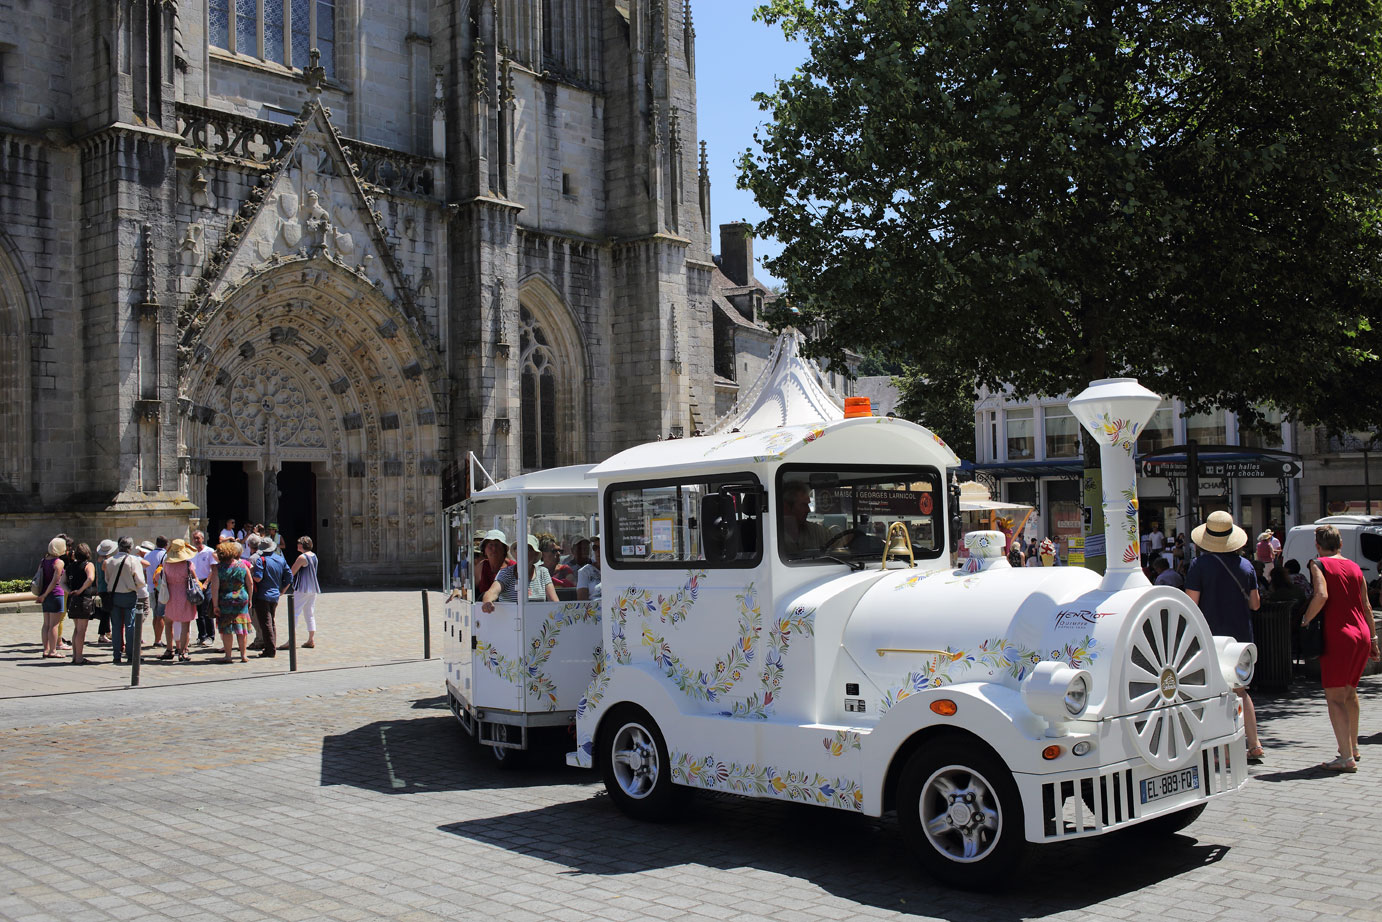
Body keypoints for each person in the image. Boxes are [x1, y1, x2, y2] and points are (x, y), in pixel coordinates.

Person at [1185, 510, 1263, 762]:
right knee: (1241, 690)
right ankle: (1254, 743)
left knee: (1215, 692)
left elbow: (1191, 604)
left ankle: (1225, 751)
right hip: (1241, 636)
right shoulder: (1246, 565)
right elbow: (1255, 604)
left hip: (1212, 637)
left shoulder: (1199, 566)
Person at [1300, 524, 1380, 772]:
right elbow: (1367, 605)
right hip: (1362, 633)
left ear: (1317, 545)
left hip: (1339, 635)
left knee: (1334, 698)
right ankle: (1353, 747)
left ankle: (1345, 757)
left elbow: (1321, 595)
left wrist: (1306, 619)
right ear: (1341, 544)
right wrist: (1374, 640)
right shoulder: (1355, 567)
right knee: (1349, 692)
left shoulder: (1318, 564)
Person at [480, 535, 559, 611]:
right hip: (511, 621)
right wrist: (487, 602)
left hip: (538, 621)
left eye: (527, 548)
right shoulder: (505, 573)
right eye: (518, 548)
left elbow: (554, 601)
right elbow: (492, 592)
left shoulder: (543, 572)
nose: (522, 551)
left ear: (535, 554)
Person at [103, 537, 147, 666]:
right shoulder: (133, 560)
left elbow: (107, 579)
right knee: (130, 626)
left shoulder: (110, 561)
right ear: (130, 547)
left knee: (116, 626)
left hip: (114, 595)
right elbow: (140, 581)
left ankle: (116, 655)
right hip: (129, 595)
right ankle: (131, 654)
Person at [208, 540, 253, 663]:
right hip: (241, 598)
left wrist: (215, 605)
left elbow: (215, 588)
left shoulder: (217, 568)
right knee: (241, 627)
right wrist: (250, 598)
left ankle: (228, 656)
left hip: (225, 599)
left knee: (227, 627)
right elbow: (250, 583)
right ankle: (243, 655)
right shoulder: (243, 565)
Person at [159, 539, 198, 663]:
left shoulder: (166, 564)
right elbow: (195, 580)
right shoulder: (188, 565)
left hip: (170, 596)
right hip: (185, 596)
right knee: (185, 625)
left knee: (169, 622)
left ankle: (169, 649)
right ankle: (183, 651)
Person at [250, 536, 289, 658]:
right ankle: (271, 646)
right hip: (275, 595)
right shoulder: (280, 559)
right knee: (271, 622)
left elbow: (258, 578)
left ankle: (270, 650)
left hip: (262, 595)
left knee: (266, 623)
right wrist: (282, 590)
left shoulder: (262, 560)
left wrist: (250, 575)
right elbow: (289, 577)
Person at [65, 542, 98, 665]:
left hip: (73, 599)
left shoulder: (70, 567)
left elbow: (62, 582)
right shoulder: (88, 565)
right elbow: (90, 578)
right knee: (81, 630)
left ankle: (75, 655)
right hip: (84, 599)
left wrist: (70, 591)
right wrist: (81, 590)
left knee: (76, 629)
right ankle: (79, 657)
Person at [34, 536, 67, 659]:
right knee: (54, 624)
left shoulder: (43, 561)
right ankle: (53, 650)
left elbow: (38, 576)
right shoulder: (59, 562)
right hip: (55, 594)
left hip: (44, 594)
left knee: (46, 624)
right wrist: (45, 594)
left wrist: (42, 595)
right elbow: (55, 581)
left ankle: (45, 649)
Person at [288, 536, 321, 649]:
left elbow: (292, 571)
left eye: (298, 544)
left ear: (302, 545)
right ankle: (311, 639)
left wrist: (283, 585)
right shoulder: (314, 555)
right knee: (309, 613)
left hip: (302, 588)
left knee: (294, 613)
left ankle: (291, 640)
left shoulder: (302, 557)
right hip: (313, 588)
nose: (297, 545)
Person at [781, 482, 830, 555]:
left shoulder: (815, 531)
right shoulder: (775, 534)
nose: (808, 510)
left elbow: (838, 542)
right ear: (787, 507)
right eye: (803, 505)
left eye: (808, 504)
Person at [189, 530, 218, 646]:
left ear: (202, 538)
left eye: (198, 538)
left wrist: (206, 583)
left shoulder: (209, 551)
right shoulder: (191, 552)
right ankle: (202, 635)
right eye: (194, 538)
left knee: (206, 610)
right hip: (195, 583)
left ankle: (210, 636)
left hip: (207, 582)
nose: (196, 540)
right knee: (198, 611)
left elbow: (213, 570)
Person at [476, 530, 513, 597]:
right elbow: (469, 588)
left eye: (497, 545)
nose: (494, 549)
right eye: (490, 545)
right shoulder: (482, 566)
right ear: (484, 550)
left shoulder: (513, 567)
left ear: (504, 550)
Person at [94, 538, 116, 644]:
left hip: (101, 588)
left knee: (106, 612)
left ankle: (107, 632)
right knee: (106, 613)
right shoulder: (106, 562)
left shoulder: (98, 560)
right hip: (107, 589)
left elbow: (98, 577)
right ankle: (102, 634)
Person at [576, 536, 601, 601]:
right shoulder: (585, 571)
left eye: (602, 547)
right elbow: (582, 601)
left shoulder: (617, 571)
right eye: (595, 548)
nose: (598, 551)